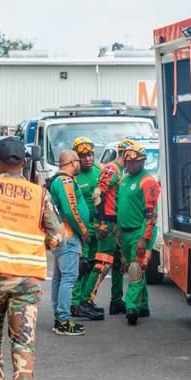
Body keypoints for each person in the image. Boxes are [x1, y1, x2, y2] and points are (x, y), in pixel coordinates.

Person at [0, 136, 66, 380]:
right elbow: (57, 237)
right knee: (23, 343)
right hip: (27, 280)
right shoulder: (40, 194)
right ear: (23, 162)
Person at [117, 144, 160, 325]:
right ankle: (143, 306)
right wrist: (118, 230)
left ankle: (132, 307)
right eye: (128, 161)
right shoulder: (124, 180)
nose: (130, 165)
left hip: (139, 232)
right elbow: (121, 207)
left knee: (135, 268)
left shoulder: (148, 181)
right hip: (125, 232)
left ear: (142, 162)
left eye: (134, 162)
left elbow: (150, 213)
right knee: (133, 268)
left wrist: (144, 237)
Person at [49, 149, 90, 335]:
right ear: (73, 163)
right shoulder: (65, 181)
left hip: (61, 236)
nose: (81, 164)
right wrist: (83, 230)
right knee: (68, 278)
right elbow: (71, 209)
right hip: (69, 236)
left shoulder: (58, 181)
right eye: (78, 161)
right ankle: (64, 320)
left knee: (59, 278)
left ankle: (60, 317)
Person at [97, 138, 136, 315]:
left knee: (120, 265)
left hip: (118, 223)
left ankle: (116, 300)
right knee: (102, 263)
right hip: (109, 222)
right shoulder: (112, 169)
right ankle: (85, 300)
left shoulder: (122, 171)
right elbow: (99, 194)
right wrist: (102, 222)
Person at [70, 137, 104, 320]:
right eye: (83, 156)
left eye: (90, 154)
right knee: (80, 266)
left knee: (93, 265)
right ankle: (75, 303)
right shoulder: (73, 176)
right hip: (81, 229)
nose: (88, 159)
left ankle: (85, 301)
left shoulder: (99, 171)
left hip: (98, 227)